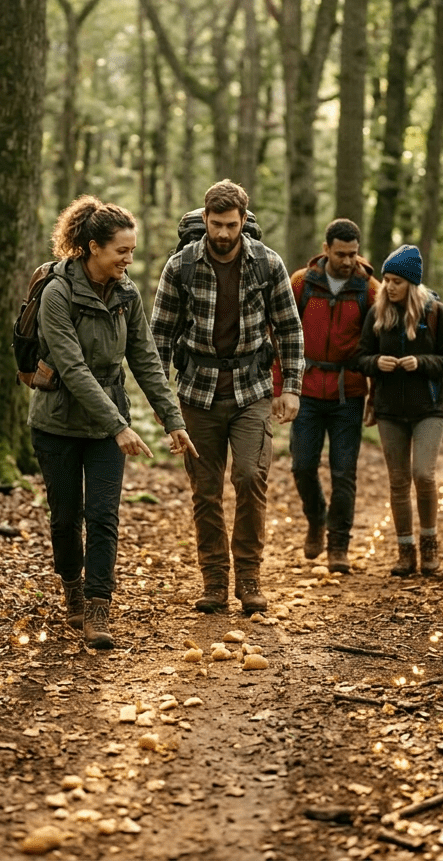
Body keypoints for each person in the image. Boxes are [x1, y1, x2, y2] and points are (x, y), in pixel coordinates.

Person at [30, 196, 197, 649]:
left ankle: (98, 606)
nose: (129, 258)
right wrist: (119, 425)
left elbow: (145, 360)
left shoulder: (127, 294)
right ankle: (72, 588)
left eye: (132, 250)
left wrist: (172, 420)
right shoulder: (56, 293)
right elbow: (72, 369)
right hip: (57, 423)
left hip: (107, 424)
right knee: (66, 519)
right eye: (121, 251)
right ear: (90, 248)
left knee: (103, 515)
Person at [151, 180, 304, 615]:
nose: (222, 233)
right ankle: (215, 581)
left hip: (252, 388)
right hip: (196, 392)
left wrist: (290, 386)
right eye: (215, 224)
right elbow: (159, 336)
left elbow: (289, 328)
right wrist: (163, 405)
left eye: (231, 225)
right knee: (205, 490)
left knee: (251, 478)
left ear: (243, 221)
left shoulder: (267, 264)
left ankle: (250, 577)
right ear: (204, 220)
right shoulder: (180, 266)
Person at [274, 219, 378, 574]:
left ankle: (339, 545)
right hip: (305, 389)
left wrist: (375, 395)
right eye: (340, 254)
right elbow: (281, 336)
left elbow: (378, 345)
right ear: (326, 248)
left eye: (353, 254)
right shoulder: (302, 283)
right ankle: (316, 519)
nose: (347, 261)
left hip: (348, 393)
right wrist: (280, 387)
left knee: (344, 472)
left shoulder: (370, 290)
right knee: (302, 465)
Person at [355, 245, 443, 577]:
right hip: (389, 409)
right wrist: (376, 363)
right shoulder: (376, 314)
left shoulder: (436, 313)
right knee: (398, 481)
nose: (389, 286)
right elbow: (359, 356)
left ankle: (430, 546)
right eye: (386, 280)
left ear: (411, 283)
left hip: (430, 406)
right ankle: (405, 552)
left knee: (424, 475)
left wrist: (422, 363)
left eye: (396, 281)